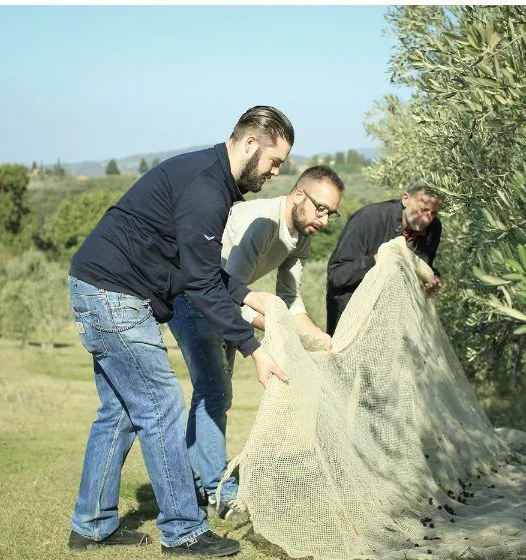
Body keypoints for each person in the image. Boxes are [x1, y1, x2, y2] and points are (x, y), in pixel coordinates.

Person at [67, 105, 294, 557]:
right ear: (251, 143)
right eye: (273, 162)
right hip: (114, 294)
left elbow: (201, 269)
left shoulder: (209, 179)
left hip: (97, 286)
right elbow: (201, 284)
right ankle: (184, 531)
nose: (274, 172)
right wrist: (253, 348)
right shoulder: (207, 188)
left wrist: (252, 297)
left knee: (120, 411)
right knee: (162, 406)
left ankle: (92, 525)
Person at [169, 165, 344, 514]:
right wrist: (271, 325)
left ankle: (197, 484)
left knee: (213, 393)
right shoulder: (263, 223)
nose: (324, 220)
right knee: (214, 392)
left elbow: (290, 301)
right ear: (298, 195)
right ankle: (220, 490)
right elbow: (227, 291)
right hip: (194, 295)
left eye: (332, 213)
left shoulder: (301, 237)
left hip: (222, 299)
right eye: (320, 208)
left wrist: (320, 338)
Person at [325, 180, 443, 336]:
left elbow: (422, 266)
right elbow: (337, 275)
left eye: (433, 213)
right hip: (350, 319)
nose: (427, 219)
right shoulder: (368, 218)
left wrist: (432, 278)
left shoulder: (433, 228)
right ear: (406, 199)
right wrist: (374, 261)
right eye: (423, 210)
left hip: (392, 322)